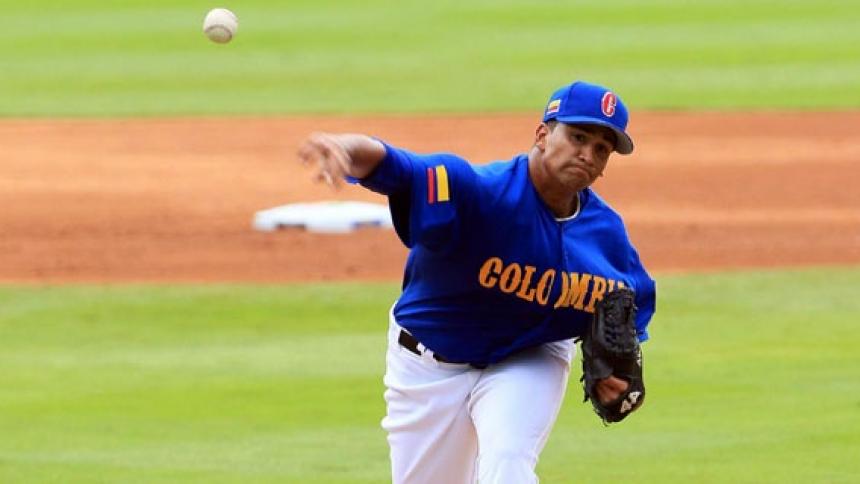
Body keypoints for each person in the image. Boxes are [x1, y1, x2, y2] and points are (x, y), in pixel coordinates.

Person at [298, 80, 656, 484]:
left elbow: (631, 309)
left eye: (602, 149)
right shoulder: (480, 191)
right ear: (542, 135)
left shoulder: (607, 236)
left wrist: (617, 374)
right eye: (578, 137)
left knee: (507, 462)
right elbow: (399, 167)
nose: (587, 154)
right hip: (427, 365)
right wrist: (347, 149)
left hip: (526, 358)